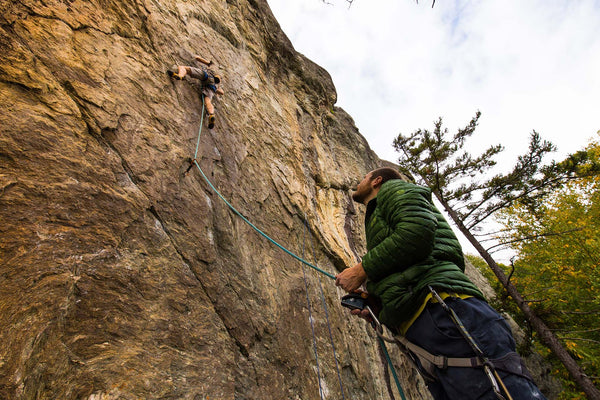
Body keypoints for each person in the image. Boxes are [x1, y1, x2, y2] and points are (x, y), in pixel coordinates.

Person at [335, 167, 547, 400]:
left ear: (376, 181)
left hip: (444, 310)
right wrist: (379, 306)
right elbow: (404, 265)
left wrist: (361, 270)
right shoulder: (380, 211)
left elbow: (416, 232)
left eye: (364, 178)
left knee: (499, 391)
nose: (358, 182)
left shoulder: (395, 189)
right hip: (429, 325)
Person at [168, 55, 224, 129]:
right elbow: (222, 92)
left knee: (183, 68)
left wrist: (198, 58)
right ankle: (211, 114)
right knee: (208, 101)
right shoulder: (219, 82)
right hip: (213, 86)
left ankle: (180, 75)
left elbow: (198, 58)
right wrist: (215, 90)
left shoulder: (212, 64)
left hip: (207, 76)